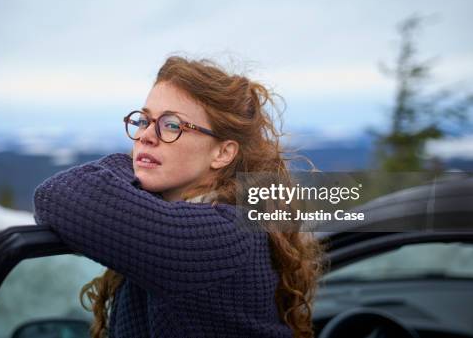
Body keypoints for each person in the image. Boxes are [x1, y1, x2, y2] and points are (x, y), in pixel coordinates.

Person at [33, 56, 324, 338]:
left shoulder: (224, 235)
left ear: (222, 153)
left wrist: (130, 167)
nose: (146, 135)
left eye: (171, 125)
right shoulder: (208, 217)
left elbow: (56, 196)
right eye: (144, 121)